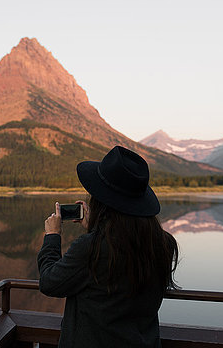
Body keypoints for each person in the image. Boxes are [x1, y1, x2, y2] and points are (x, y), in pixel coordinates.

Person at [37, 145, 179, 348]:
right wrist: (94, 228)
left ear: (102, 201)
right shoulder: (164, 244)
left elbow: (49, 282)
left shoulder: (91, 247)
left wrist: (52, 236)